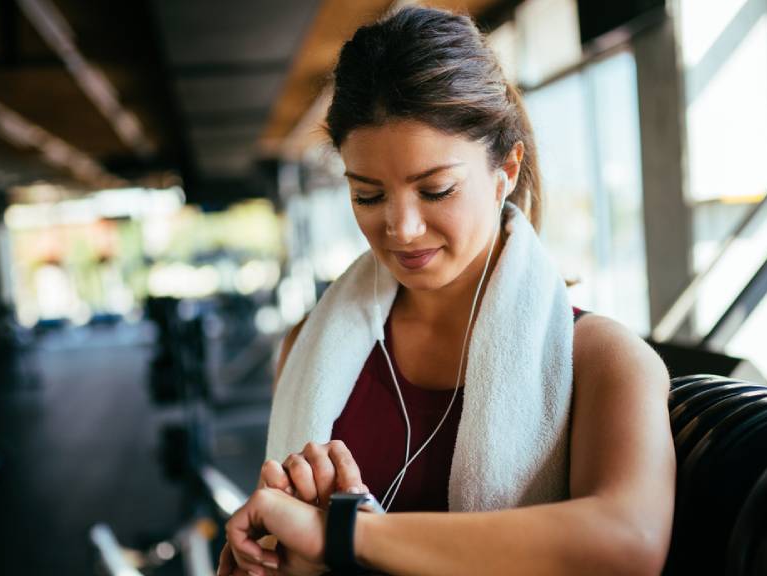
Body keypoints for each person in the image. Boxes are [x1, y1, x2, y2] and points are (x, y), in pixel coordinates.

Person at [218, 6, 674, 576]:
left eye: (435, 190)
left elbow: (629, 545)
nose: (402, 229)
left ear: (507, 170)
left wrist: (345, 535)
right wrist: (272, 555)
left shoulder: (603, 358)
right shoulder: (305, 345)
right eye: (368, 195)